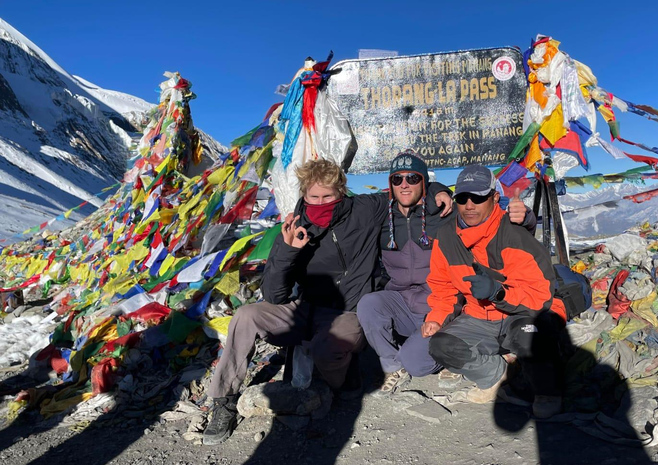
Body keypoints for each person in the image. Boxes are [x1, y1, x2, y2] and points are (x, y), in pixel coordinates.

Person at [203, 158, 452, 445]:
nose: (321, 203)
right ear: (304, 195)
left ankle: (343, 379)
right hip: (306, 306)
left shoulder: (365, 209)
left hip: (348, 311)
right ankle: (225, 399)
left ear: (341, 192)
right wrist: (287, 250)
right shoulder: (296, 226)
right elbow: (275, 296)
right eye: (314, 197)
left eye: (328, 196)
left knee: (328, 349)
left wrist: (438, 190)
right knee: (246, 315)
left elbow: (407, 190)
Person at [357, 151, 537, 396]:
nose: (404, 185)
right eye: (397, 179)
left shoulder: (445, 211)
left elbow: (491, 223)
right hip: (401, 301)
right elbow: (344, 207)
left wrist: (525, 219)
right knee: (369, 304)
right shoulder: (382, 216)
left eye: (412, 178)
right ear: (390, 184)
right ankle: (393, 366)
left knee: (418, 363)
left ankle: (452, 355)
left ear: (424, 181)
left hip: (443, 304)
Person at [424, 164, 565, 418]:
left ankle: (546, 391)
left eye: (478, 197)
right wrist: (435, 318)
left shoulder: (513, 234)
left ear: (495, 198)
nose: (469, 205)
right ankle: (495, 375)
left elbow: (540, 295)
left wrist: (499, 293)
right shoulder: (445, 237)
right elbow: (442, 287)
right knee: (441, 345)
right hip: (477, 316)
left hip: (518, 314)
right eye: (463, 198)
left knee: (530, 335)